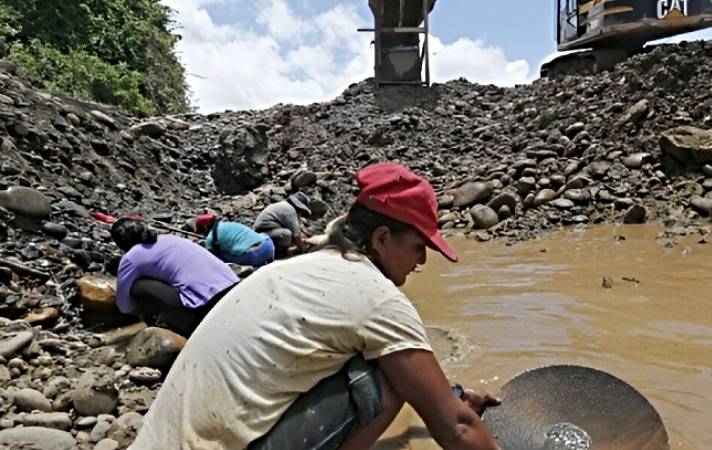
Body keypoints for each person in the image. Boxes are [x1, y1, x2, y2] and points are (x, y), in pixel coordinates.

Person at [129, 162, 500, 450]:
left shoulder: (299, 269)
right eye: (419, 246)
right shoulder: (377, 297)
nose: (421, 260)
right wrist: (453, 409)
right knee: (387, 377)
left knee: (375, 360)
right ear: (383, 238)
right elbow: (457, 427)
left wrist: (451, 395)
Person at [111, 218, 239, 336]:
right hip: (235, 289)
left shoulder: (131, 258)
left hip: (207, 305)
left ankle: (183, 324)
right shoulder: (168, 238)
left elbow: (124, 306)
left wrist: (138, 312)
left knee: (137, 287)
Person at [195, 213, 275, 267]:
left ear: (205, 227)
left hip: (253, 256)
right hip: (268, 247)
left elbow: (211, 259)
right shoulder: (227, 224)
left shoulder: (210, 238)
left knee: (220, 255)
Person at [253, 192, 312, 256]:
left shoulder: (286, 206)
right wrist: (304, 249)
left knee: (291, 237)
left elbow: (299, 225)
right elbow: (296, 235)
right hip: (263, 234)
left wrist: (308, 235)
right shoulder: (290, 210)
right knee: (286, 234)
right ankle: (276, 253)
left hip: (265, 233)